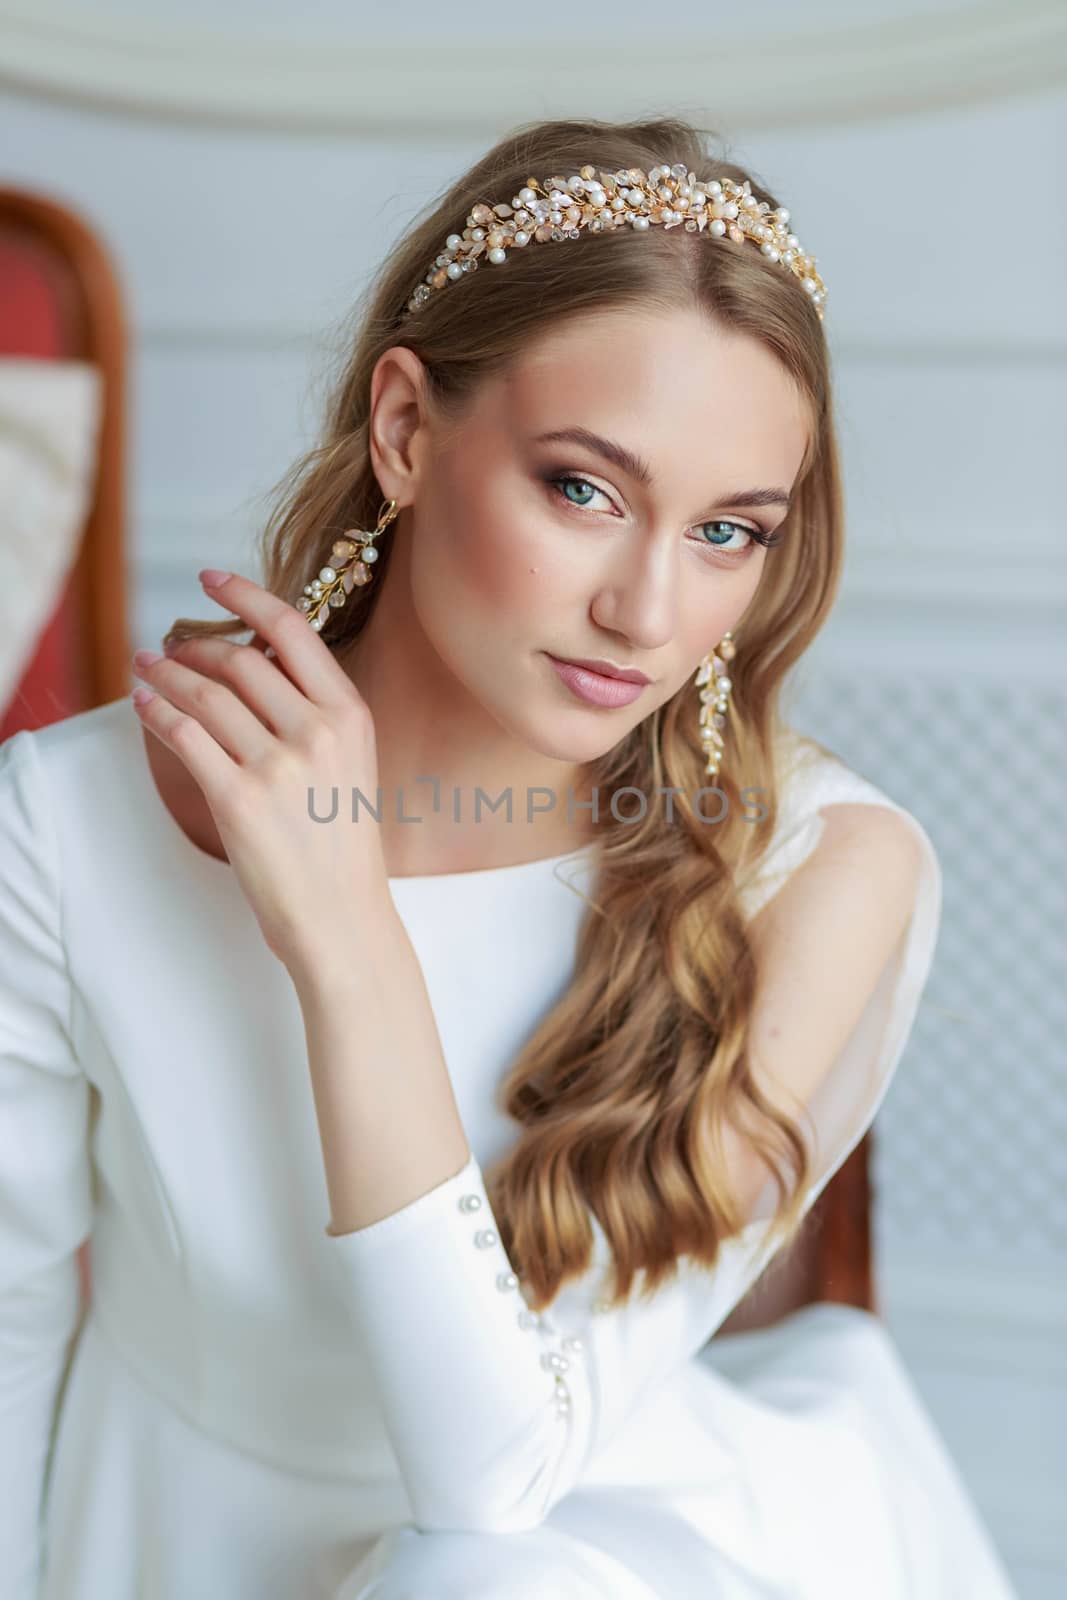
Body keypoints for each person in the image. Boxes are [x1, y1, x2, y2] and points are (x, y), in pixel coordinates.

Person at [0, 115, 1017, 1600]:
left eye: (729, 532)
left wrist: (347, 940)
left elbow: (492, 1484)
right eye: (585, 492)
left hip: (583, 1550)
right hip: (164, 1535)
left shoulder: (824, 870)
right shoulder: (68, 816)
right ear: (406, 430)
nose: (649, 614)